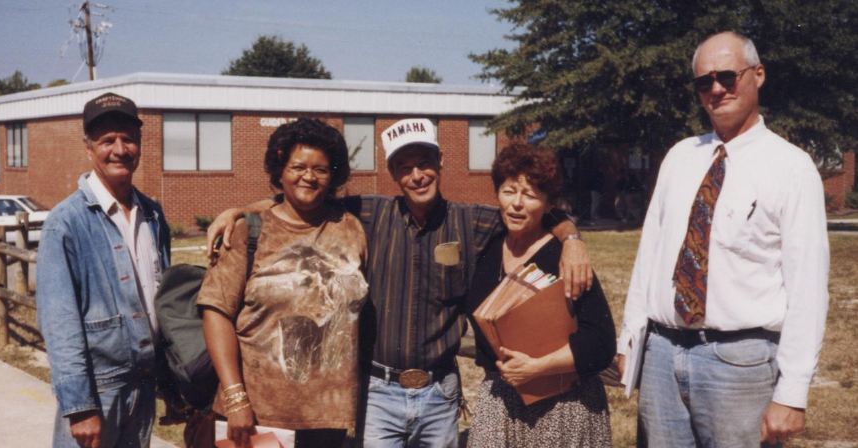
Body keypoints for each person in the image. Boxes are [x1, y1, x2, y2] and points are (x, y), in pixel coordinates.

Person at [206, 118, 593, 448]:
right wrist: (239, 210)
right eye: (404, 167)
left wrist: (572, 238)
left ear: (440, 162)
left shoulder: (473, 222)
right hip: (379, 394)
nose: (416, 175)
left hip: (440, 394)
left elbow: (530, 209)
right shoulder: (369, 214)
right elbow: (301, 195)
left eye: (424, 163)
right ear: (393, 173)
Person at [617, 31, 829, 447]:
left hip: (739, 365)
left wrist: (793, 392)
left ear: (758, 75)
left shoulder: (792, 168)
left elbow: (808, 288)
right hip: (661, 354)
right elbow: (650, 257)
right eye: (704, 81)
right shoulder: (680, 157)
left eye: (728, 76)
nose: (716, 89)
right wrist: (631, 338)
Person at [197, 118, 369, 448]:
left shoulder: (351, 228)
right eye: (298, 166)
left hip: (328, 419)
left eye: (320, 169)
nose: (309, 176)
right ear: (280, 170)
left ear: (333, 175)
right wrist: (236, 398)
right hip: (259, 416)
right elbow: (215, 313)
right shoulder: (247, 231)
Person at [36, 92, 171, 448]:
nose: (120, 149)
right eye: (107, 140)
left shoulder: (153, 214)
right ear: (88, 148)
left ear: (140, 144)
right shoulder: (66, 223)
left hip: (142, 386)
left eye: (128, 139)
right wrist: (79, 407)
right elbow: (59, 321)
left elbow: (163, 300)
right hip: (99, 390)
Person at [465, 143, 616, 448]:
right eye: (509, 191)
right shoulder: (487, 249)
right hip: (500, 403)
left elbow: (601, 341)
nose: (517, 204)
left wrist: (537, 367)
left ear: (549, 205)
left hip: (564, 405)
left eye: (531, 195)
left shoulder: (566, 257)